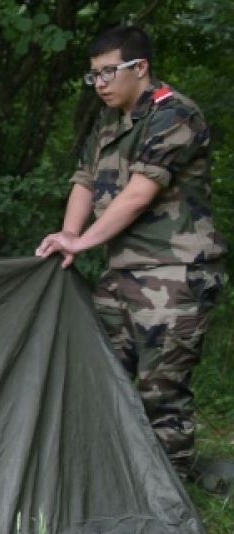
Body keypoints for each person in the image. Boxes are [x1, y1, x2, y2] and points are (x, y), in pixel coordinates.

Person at [36, 26, 226, 480]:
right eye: (93, 76)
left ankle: (169, 497)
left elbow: (140, 194)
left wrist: (84, 242)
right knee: (104, 377)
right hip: (121, 274)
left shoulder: (174, 115)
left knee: (161, 392)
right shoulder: (109, 123)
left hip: (175, 275)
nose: (99, 84)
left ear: (140, 68)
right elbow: (84, 181)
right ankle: (116, 481)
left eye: (107, 73)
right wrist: (67, 237)